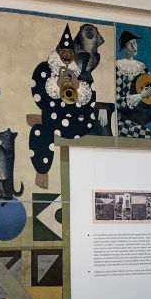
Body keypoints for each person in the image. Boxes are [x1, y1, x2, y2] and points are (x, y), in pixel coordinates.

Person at [28, 24, 103, 188]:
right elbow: (38, 97)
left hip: (79, 121)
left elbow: (91, 101)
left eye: (70, 53)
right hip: (53, 119)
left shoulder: (82, 71)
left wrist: (78, 86)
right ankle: (42, 171)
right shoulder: (45, 68)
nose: (67, 56)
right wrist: (56, 85)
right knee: (39, 132)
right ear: (58, 52)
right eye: (63, 52)